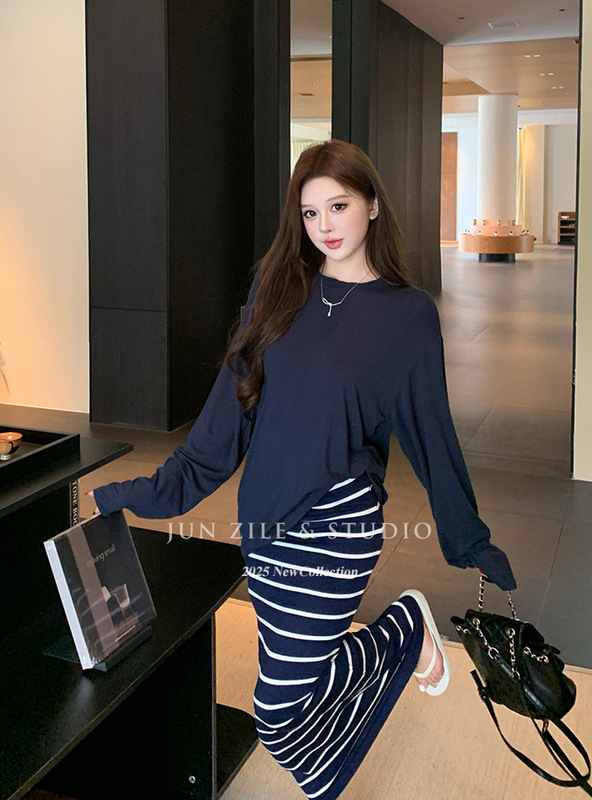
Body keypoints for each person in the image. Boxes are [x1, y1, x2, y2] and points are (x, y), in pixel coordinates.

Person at [87, 138, 516, 799]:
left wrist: (469, 540)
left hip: (337, 523)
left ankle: (403, 629)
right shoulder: (276, 289)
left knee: (278, 713)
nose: (324, 227)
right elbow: (222, 427)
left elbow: (432, 436)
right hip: (263, 520)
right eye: (310, 213)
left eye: (338, 206)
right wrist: (141, 492)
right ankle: (364, 709)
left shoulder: (407, 315)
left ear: (372, 205)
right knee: (300, 716)